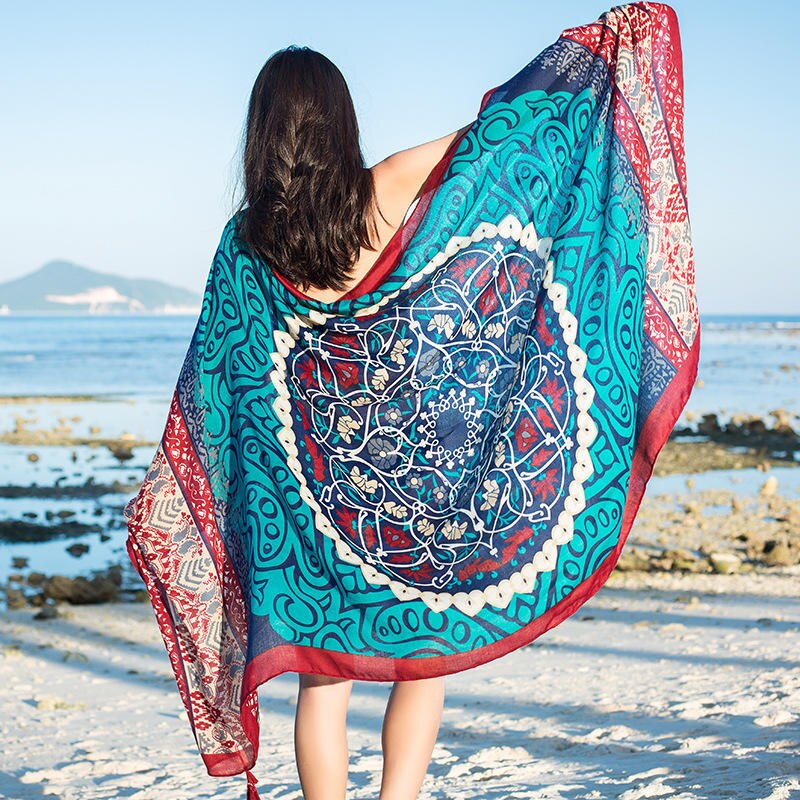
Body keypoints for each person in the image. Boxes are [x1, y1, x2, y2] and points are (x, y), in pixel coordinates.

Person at [232, 45, 465, 800]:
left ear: (263, 132)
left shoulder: (247, 241)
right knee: (423, 660)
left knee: (325, 680)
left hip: (316, 485)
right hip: (413, 473)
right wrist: (591, 57)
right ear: (341, 121)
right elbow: (502, 128)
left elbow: (231, 377)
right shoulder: (388, 184)